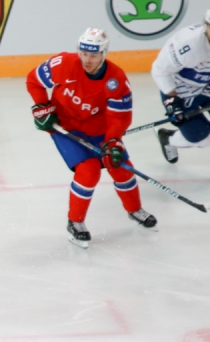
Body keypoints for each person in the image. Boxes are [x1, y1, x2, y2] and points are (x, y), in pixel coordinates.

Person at [26, 28, 157, 249]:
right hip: (66, 127)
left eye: (93, 55)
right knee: (88, 172)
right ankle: (75, 222)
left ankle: (134, 210)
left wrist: (113, 140)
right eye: (84, 54)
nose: (87, 60)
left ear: (104, 54)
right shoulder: (63, 63)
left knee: (121, 167)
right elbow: (34, 80)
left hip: (100, 129)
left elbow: (119, 117)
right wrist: (42, 107)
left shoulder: (116, 79)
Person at [152, 9, 210, 163]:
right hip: (181, 92)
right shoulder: (188, 44)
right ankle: (168, 138)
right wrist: (173, 102)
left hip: (206, 87)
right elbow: (160, 70)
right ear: (207, 25)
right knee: (202, 138)